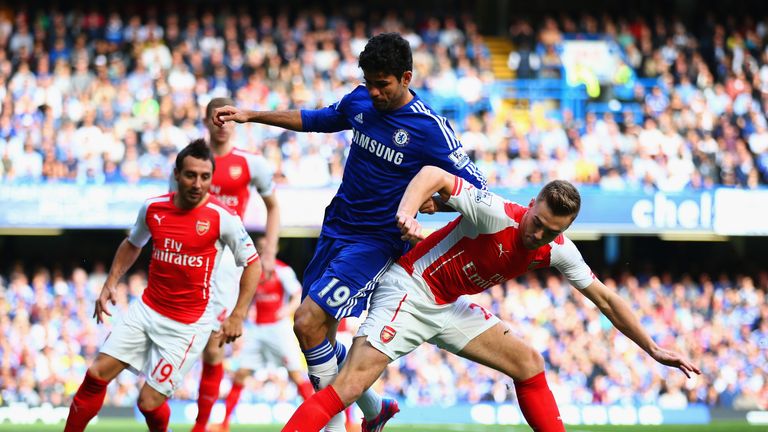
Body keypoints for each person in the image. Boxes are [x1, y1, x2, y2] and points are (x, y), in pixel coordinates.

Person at [282, 166, 702, 432]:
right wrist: (408, 212)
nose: (538, 235)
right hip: (409, 290)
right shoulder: (495, 211)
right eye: (537, 223)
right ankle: (371, 413)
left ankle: (377, 413)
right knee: (350, 385)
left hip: (449, 305)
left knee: (528, 363)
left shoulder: (557, 250)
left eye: (551, 232)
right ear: (532, 203)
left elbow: (606, 300)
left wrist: (652, 348)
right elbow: (433, 173)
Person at [212, 33, 487, 432]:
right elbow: (315, 120)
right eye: (369, 81)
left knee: (306, 321)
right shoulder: (360, 100)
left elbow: (477, 188)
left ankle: (329, 423)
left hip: (375, 241)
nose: (373, 91)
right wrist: (251, 115)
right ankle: (375, 410)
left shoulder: (429, 129)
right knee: (316, 331)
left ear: (406, 77)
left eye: (383, 84)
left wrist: (438, 202)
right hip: (336, 228)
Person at [64, 139, 261, 432]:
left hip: (187, 326)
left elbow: (253, 263)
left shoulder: (222, 218)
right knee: (95, 374)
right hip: (146, 310)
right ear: (177, 174)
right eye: (191, 175)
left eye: (205, 177)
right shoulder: (153, 208)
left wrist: (238, 314)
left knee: (148, 402)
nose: (198, 184)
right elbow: (133, 244)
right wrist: (111, 282)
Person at [190, 97, 280, 432]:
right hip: (190, 257)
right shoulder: (192, 159)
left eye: (230, 117)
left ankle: (201, 425)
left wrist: (269, 251)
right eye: (218, 117)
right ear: (207, 121)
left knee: (214, 350)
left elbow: (274, 206)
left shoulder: (251, 164)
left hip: (226, 263)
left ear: (237, 121)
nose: (224, 123)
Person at [213, 236, 313, 432]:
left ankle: (314, 420)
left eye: (265, 248)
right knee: (241, 374)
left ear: (273, 250)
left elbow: (297, 294)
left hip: (278, 329)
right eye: (259, 248)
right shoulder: (252, 272)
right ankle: (224, 424)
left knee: (295, 374)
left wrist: (287, 310)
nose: (262, 251)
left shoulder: (282, 270)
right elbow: (247, 298)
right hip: (257, 330)